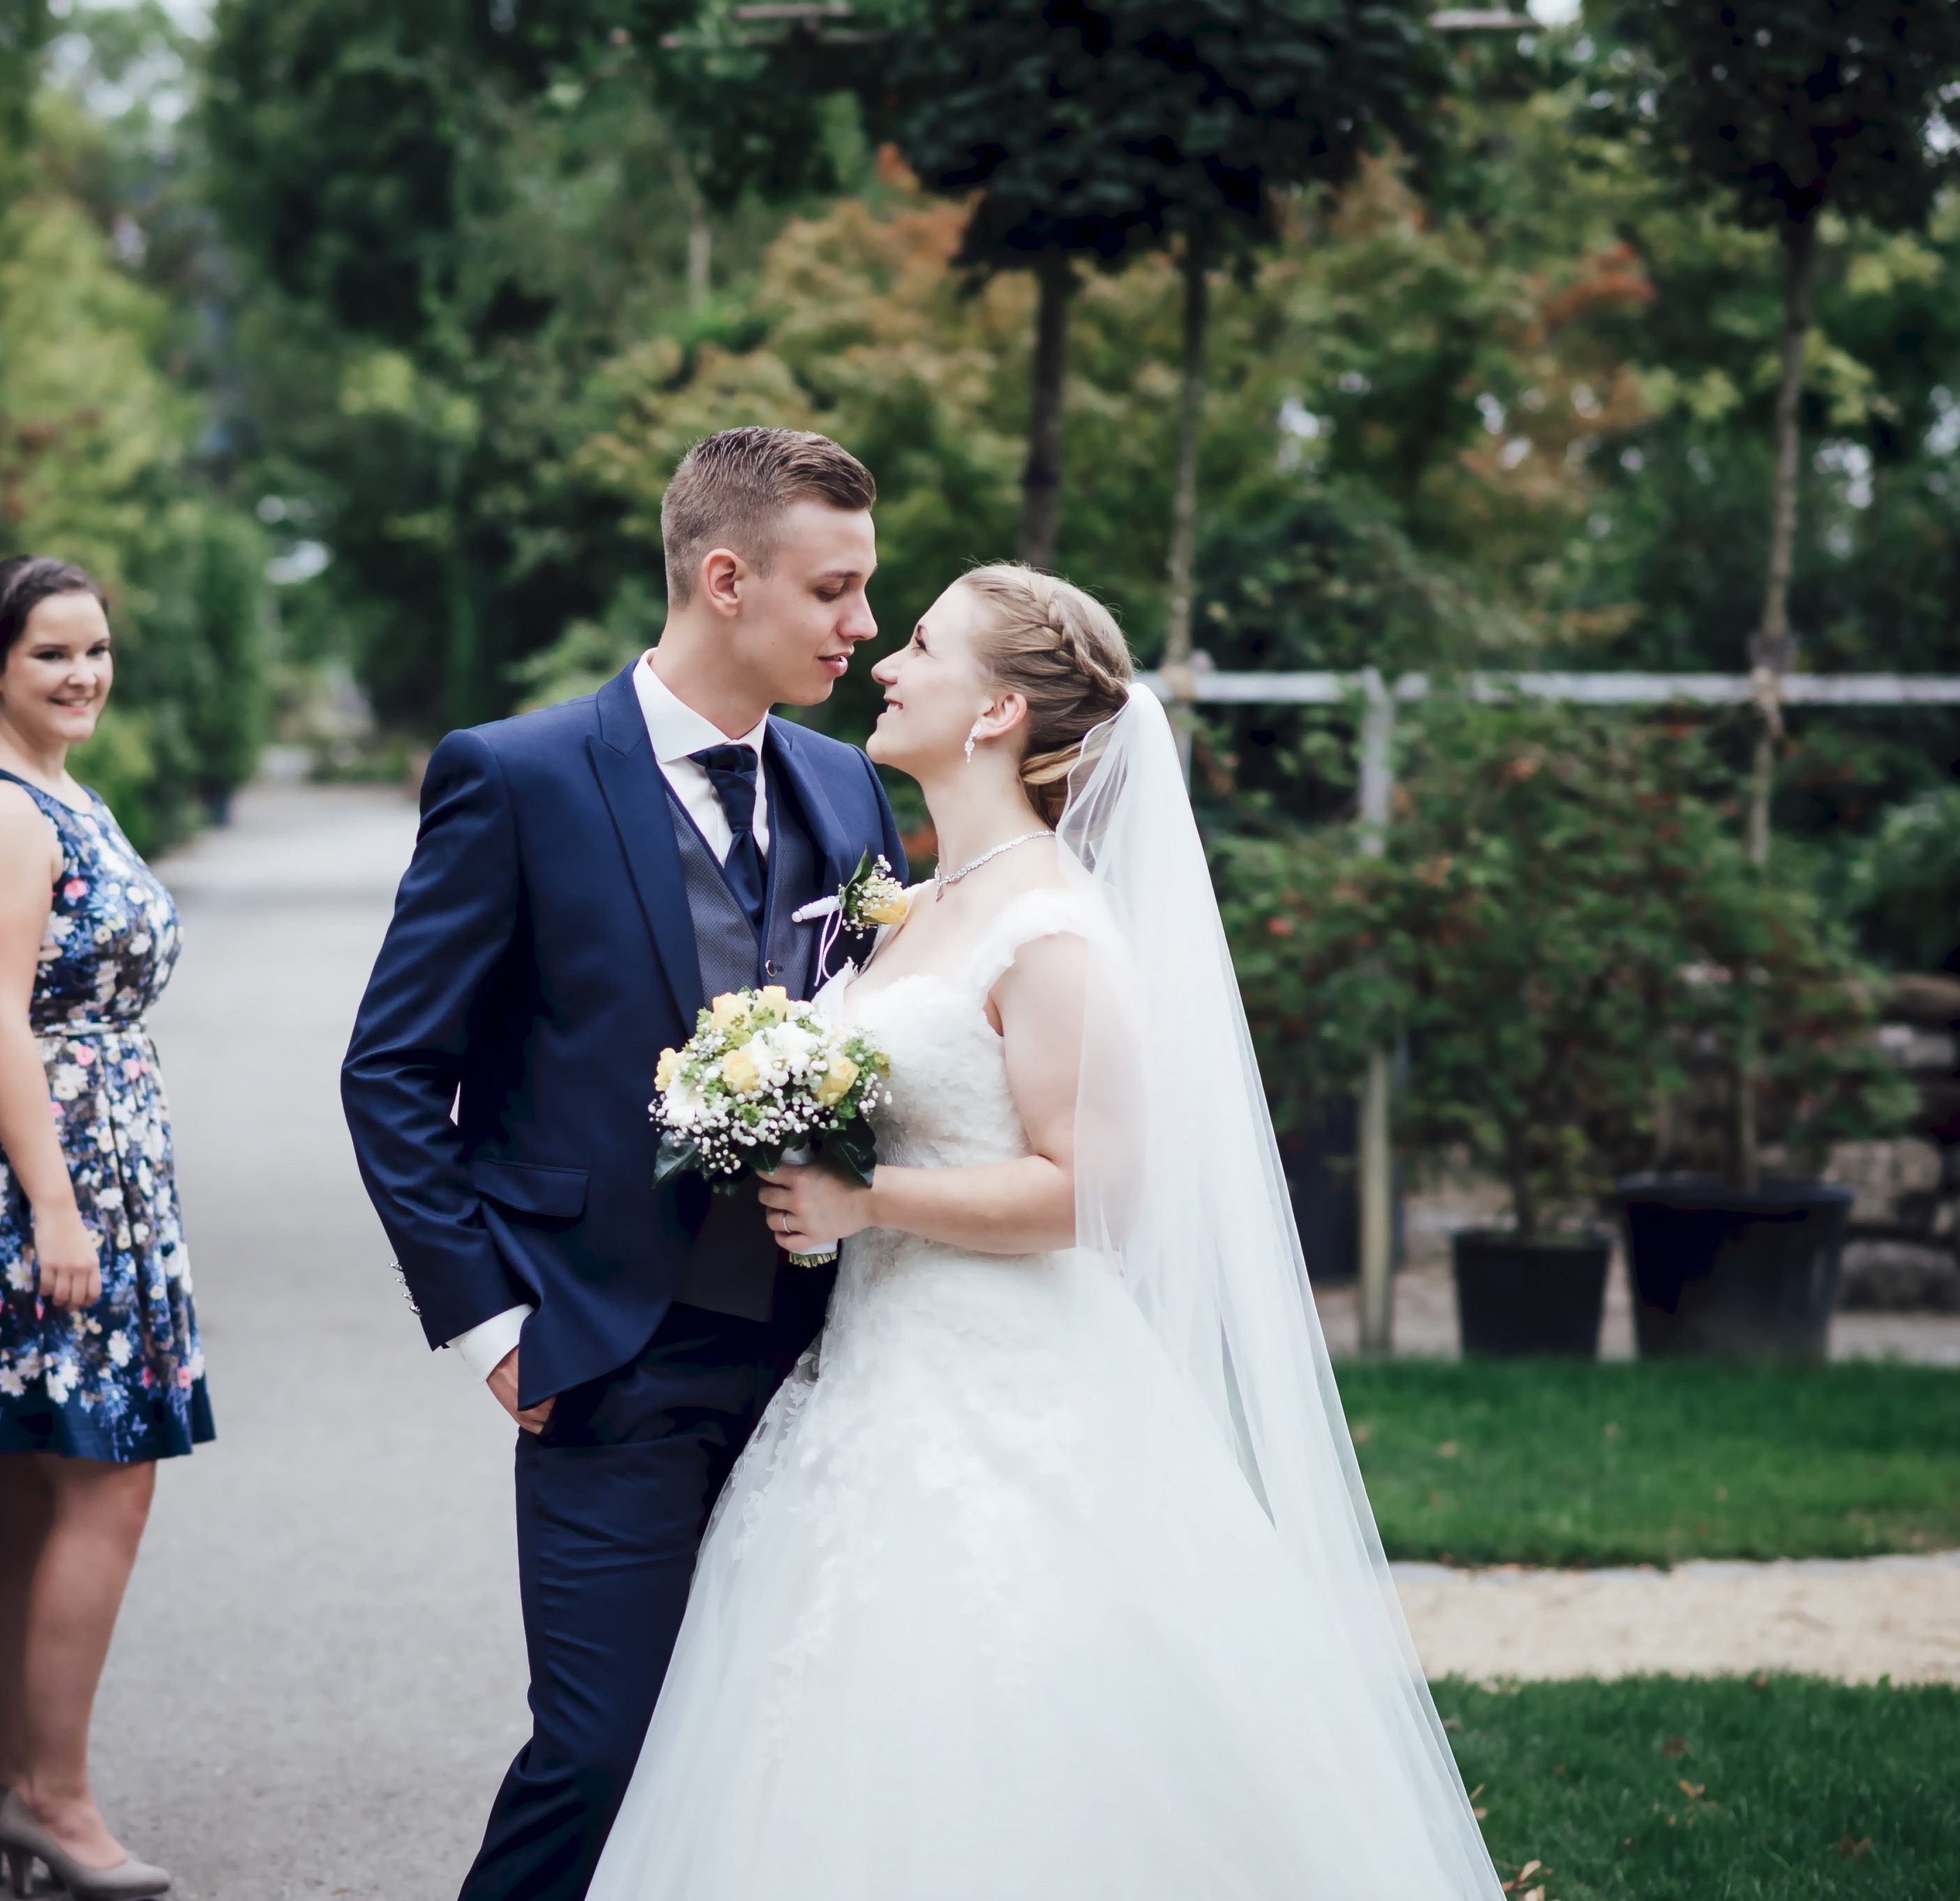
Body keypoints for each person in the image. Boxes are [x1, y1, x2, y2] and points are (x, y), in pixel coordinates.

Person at [581, 565, 1507, 1899]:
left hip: (1005, 1385)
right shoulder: (915, 899)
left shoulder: (1050, 922)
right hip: (873, 1371)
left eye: (917, 644)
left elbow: (1093, 1192)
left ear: (997, 709)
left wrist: (864, 1200)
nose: (884, 661)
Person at [342, 427, 908, 1901]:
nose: (861, 628)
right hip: (606, 1353)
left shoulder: (846, 788)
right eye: (832, 592)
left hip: (822, 1360)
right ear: (725, 579)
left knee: (772, 1748)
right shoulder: (515, 776)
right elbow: (393, 1070)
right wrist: (490, 1325)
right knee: (599, 1751)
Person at [0, 556, 204, 1901]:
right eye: (50, 656)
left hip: (95, 1159)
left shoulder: (68, 790)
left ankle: (20, 1784)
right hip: (43, 1174)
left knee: (35, 1474)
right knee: (103, 1471)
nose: (81, 675)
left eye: (96, 650)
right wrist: (59, 1207)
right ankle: (57, 1801)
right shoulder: (3, 811)